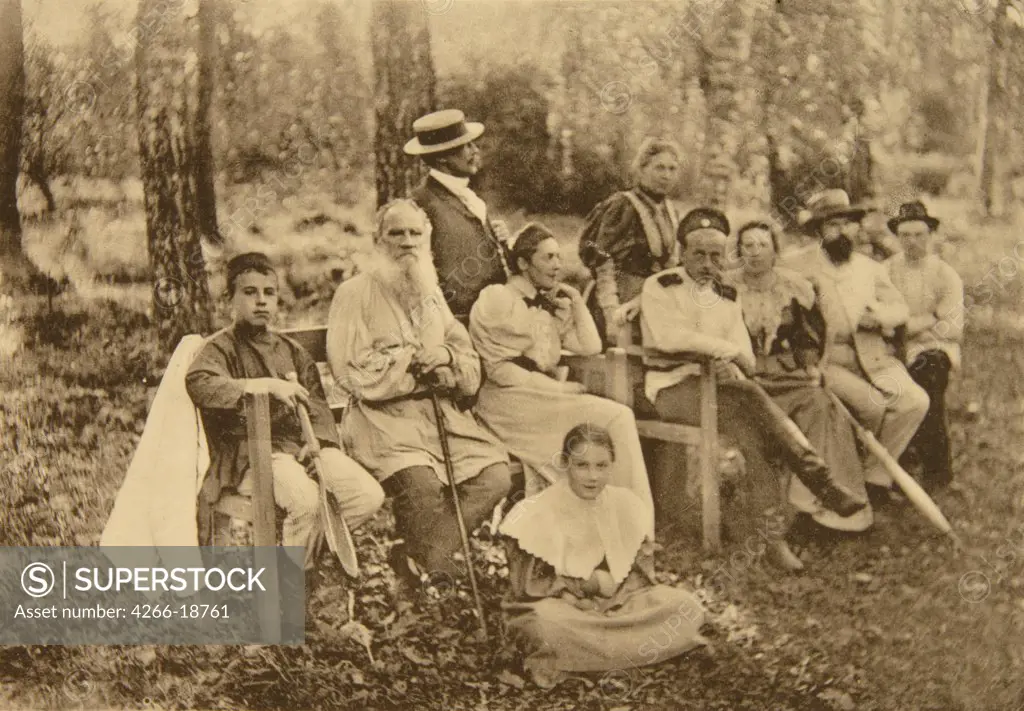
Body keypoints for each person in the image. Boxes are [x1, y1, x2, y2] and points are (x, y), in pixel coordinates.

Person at [640, 208, 866, 570]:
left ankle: (771, 541)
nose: (707, 263)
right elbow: (669, 337)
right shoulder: (662, 286)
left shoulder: (727, 295)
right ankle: (819, 479)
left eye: (716, 255)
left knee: (756, 438)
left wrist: (729, 358)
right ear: (682, 254)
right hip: (673, 390)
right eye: (698, 254)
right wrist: (722, 352)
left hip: (723, 392)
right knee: (748, 399)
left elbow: (745, 353)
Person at [326, 199, 511, 600]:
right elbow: (349, 369)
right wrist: (409, 363)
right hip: (384, 421)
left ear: (427, 240)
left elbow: (464, 354)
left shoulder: (431, 293)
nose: (407, 242)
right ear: (378, 241)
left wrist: (445, 358)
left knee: (496, 475)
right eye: (396, 233)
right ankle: (434, 576)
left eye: (415, 234)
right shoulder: (354, 293)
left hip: (439, 418)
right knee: (423, 485)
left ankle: (422, 558)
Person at [185, 253, 385, 556]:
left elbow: (316, 404)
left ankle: (308, 563)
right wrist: (258, 387)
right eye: (250, 293)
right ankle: (292, 589)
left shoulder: (291, 350)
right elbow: (201, 382)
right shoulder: (219, 349)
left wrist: (317, 441)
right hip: (250, 457)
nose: (261, 301)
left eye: (269, 293)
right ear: (229, 300)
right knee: (305, 501)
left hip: (300, 450)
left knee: (367, 495)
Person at [469, 223, 654, 533]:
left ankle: (626, 526)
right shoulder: (499, 299)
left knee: (617, 418)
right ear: (523, 263)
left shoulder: (550, 304)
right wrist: (558, 388)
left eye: (558, 257)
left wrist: (576, 299)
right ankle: (627, 527)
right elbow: (500, 370)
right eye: (548, 258)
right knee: (615, 418)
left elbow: (591, 346)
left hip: (540, 400)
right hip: (507, 403)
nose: (557, 266)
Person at [500, 424, 707, 689]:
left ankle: (593, 658)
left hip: (618, 604)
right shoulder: (536, 512)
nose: (592, 476)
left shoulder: (624, 504)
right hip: (562, 608)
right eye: (582, 465)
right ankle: (630, 653)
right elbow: (528, 587)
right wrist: (588, 586)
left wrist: (613, 593)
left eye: (601, 466)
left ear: (612, 465)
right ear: (565, 464)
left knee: (683, 605)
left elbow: (636, 577)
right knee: (543, 626)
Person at [781, 190, 929, 496]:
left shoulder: (869, 268)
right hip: (827, 360)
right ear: (819, 231)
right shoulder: (796, 265)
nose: (842, 232)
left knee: (914, 401)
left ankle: (873, 477)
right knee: (872, 408)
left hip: (872, 355)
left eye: (848, 224)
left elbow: (899, 309)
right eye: (833, 225)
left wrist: (880, 318)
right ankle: (846, 478)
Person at [730, 221, 873, 536]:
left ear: (775, 251)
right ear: (738, 251)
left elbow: (806, 337)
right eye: (747, 246)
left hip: (785, 373)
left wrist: (810, 366)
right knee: (763, 418)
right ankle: (789, 512)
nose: (754, 253)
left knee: (822, 406)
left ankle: (826, 511)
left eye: (762, 245)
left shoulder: (793, 287)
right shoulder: (726, 289)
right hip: (745, 376)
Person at [885, 201, 964, 491]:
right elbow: (880, 318)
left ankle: (937, 471)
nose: (913, 242)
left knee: (927, 376)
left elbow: (952, 328)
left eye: (919, 234)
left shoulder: (945, 275)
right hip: (892, 350)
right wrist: (927, 318)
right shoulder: (886, 271)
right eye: (905, 235)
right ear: (897, 237)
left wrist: (905, 327)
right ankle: (897, 464)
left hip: (936, 349)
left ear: (931, 234)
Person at [405, 109, 511, 322]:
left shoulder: (471, 197)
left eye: (473, 144)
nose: (475, 150)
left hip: (493, 316)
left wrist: (502, 242)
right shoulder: (421, 203)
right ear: (443, 156)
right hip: (455, 323)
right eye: (466, 146)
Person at [577, 137, 683, 345]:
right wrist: (611, 314)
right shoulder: (623, 206)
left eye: (672, 169)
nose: (666, 175)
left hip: (655, 300)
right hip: (619, 299)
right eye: (659, 168)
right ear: (642, 169)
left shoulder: (670, 210)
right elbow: (604, 265)